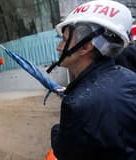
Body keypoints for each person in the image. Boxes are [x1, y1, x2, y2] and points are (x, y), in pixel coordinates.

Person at [48, 1, 136, 160]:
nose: (59, 47)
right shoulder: (130, 78)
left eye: (64, 39)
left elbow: (64, 152)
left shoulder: (77, 105)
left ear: (86, 46)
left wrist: (56, 130)